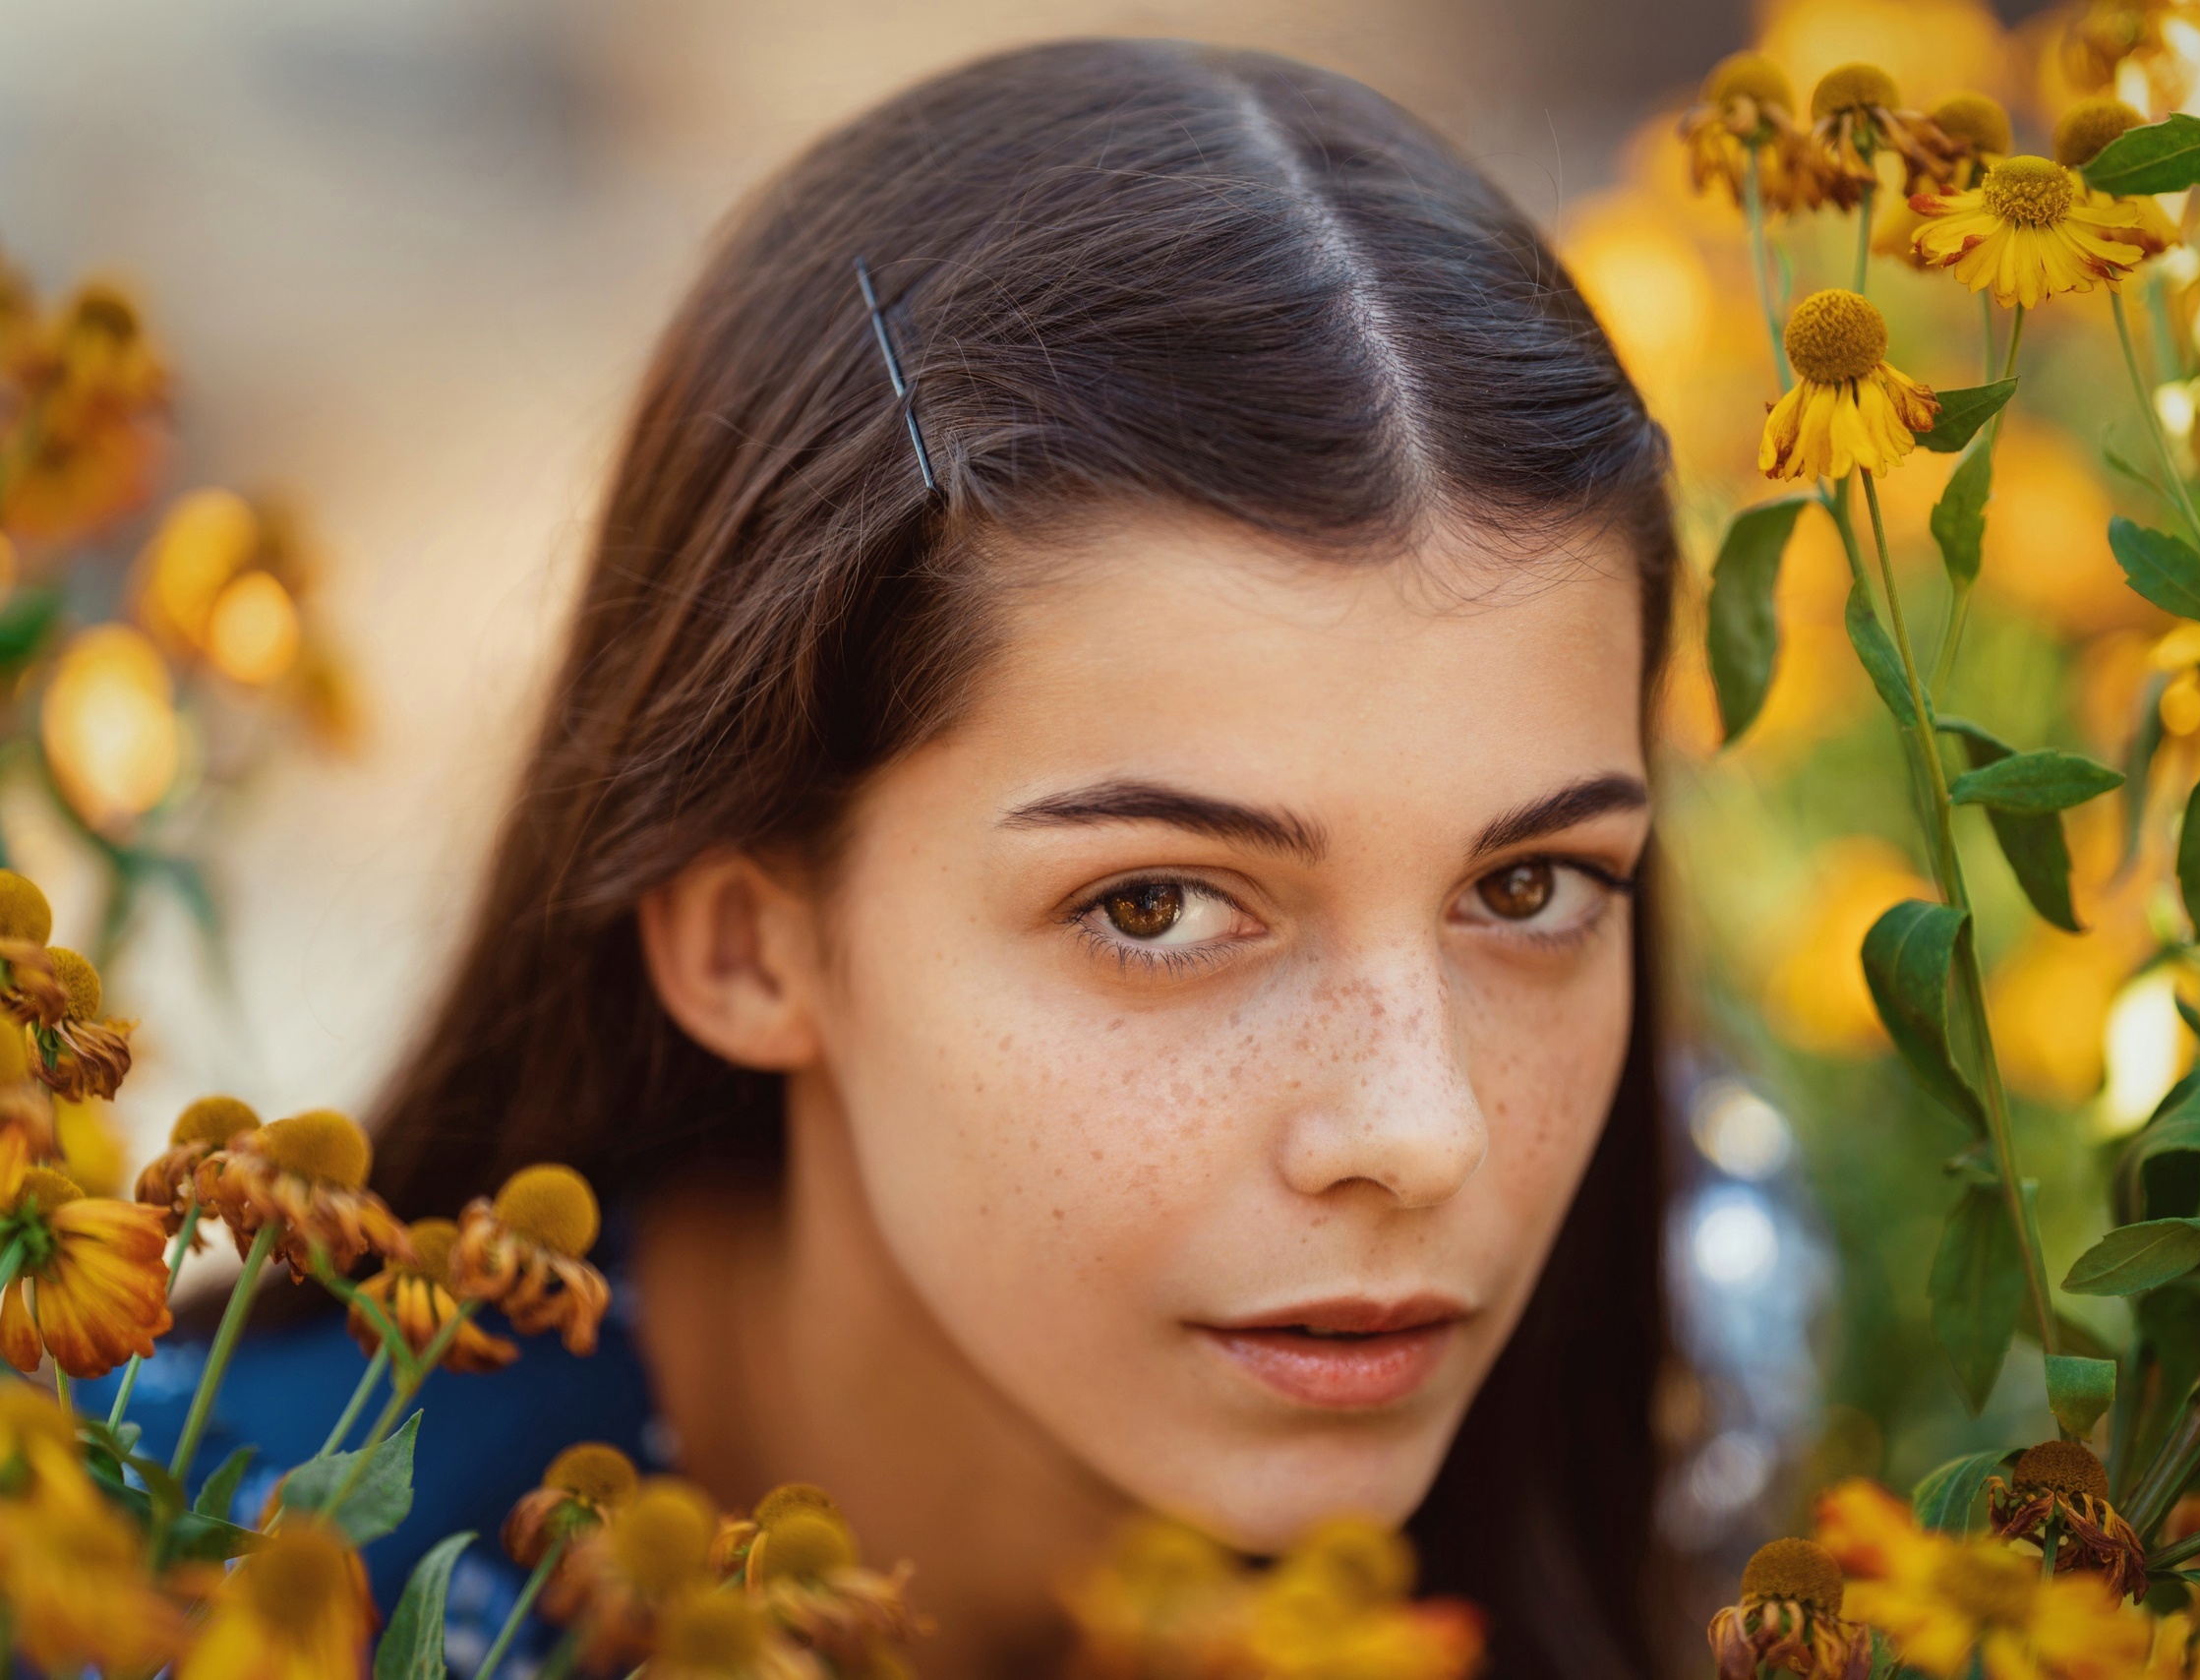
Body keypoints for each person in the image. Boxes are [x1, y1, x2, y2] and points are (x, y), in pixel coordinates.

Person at [147, 36, 1683, 1679]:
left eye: (1529, 888)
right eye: (1156, 908)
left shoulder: (1752, 1412)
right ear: (752, 944)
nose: (1420, 1133)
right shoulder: (172, 1583)